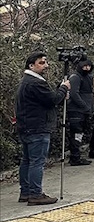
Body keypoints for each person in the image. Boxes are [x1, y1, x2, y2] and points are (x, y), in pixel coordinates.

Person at [15, 51, 70, 205]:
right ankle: (35, 194)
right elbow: (52, 100)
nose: (46, 66)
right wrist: (64, 88)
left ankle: (25, 192)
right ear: (31, 65)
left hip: (26, 126)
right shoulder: (36, 83)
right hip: (37, 128)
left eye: (46, 62)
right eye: (41, 63)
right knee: (36, 162)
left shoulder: (26, 81)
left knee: (27, 160)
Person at [67, 57, 94, 166]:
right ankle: (75, 157)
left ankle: (76, 156)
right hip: (76, 111)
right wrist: (84, 106)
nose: (87, 68)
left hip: (84, 111)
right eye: (84, 66)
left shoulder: (87, 77)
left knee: (80, 134)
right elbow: (74, 94)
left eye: (88, 66)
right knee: (76, 134)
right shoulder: (75, 77)